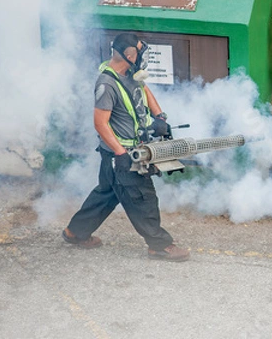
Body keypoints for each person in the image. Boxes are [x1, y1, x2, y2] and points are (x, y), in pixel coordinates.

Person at [62, 32, 190, 262]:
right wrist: (120, 153)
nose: (142, 55)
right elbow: (100, 123)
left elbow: (144, 90)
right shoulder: (107, 83)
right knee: (143, 198)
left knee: (106, 194)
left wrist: (159, 117)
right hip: (123, 155)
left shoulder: (131, 73)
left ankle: (76, 232)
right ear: (129, 55)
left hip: (125, 151)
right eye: (140, 51)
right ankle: (159, 245)